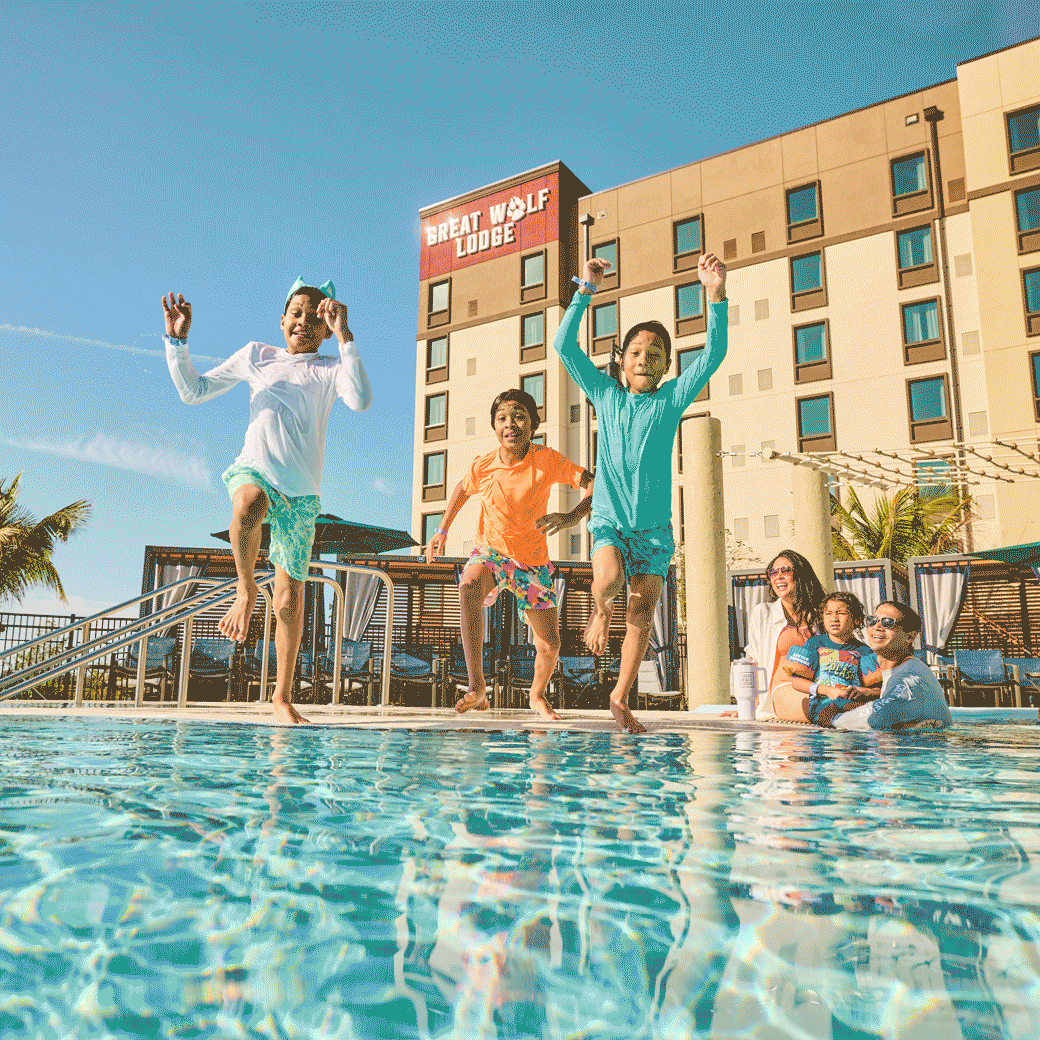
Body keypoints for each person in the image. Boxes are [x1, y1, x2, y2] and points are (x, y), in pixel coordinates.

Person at [162, 279, 372, 725]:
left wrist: (346, 336)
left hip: (301, 494)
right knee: (248, 503)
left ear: (326, 326)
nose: (303, 322)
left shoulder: (331, 367)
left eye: (315, 317)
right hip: (255, 470)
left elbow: (362, 401)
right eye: (296, 313)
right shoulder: (257, 354)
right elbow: (193, 391)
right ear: (282, 321)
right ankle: (245, 586)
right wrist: (177, 343)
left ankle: (281, 695)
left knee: (290, 599)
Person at [551, 253, 728, 733]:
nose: (644, 359)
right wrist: (585, 290)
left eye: (655, 354)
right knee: (607, 580)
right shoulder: (606, 395)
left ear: (667, 364)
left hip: (652, 530)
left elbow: (713, 354)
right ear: (622, 362)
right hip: (609, 518)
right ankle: (598, 610)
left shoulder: (672, 399)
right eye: (636, 353)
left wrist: (715, 295)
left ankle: (619, 695)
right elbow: (563, 345)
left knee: (644, 608)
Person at [425, 389, 593, 721]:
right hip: (492, 553)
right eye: (502, 418)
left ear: (533, 423)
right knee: (469, 583)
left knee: (550, 645)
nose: (509, 424)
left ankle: (537, 695)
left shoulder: (547, 459)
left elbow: (591, 482)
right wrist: (442, 529)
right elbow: (460, 489)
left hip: (531, 564)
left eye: (518, 416)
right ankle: (477, 687)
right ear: (494, 425)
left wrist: (573, 516)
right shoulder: (484, 465)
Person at [827, 601, 953, 730]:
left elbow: (878, 715)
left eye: (888, 623)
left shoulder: (910, 675)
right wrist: (870, 693)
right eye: (872, 620)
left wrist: (831, 718)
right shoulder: (901, 669)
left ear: (910, 636)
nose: (877, 626)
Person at [778, 591, 882, 726]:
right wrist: (827, 690)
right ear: (822, 618)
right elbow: (797, 682)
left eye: (841, 613)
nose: (834, 618)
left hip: (853, 704)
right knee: (838, 714)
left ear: (856, 619)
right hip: (823, 704)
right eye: (828, 613)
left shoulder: (864, 651)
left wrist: (865, 692)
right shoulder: (814, 644)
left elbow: (878, 690)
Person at [744, 549, 826, 720]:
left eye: (786, 570)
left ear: (801, 575)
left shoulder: (821, 614)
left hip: (821, 686)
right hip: (783, 688)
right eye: (773, 572)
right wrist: (749, 708)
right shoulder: (763, 613)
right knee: (823, 708)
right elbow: (754, 663)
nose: (778, 576)